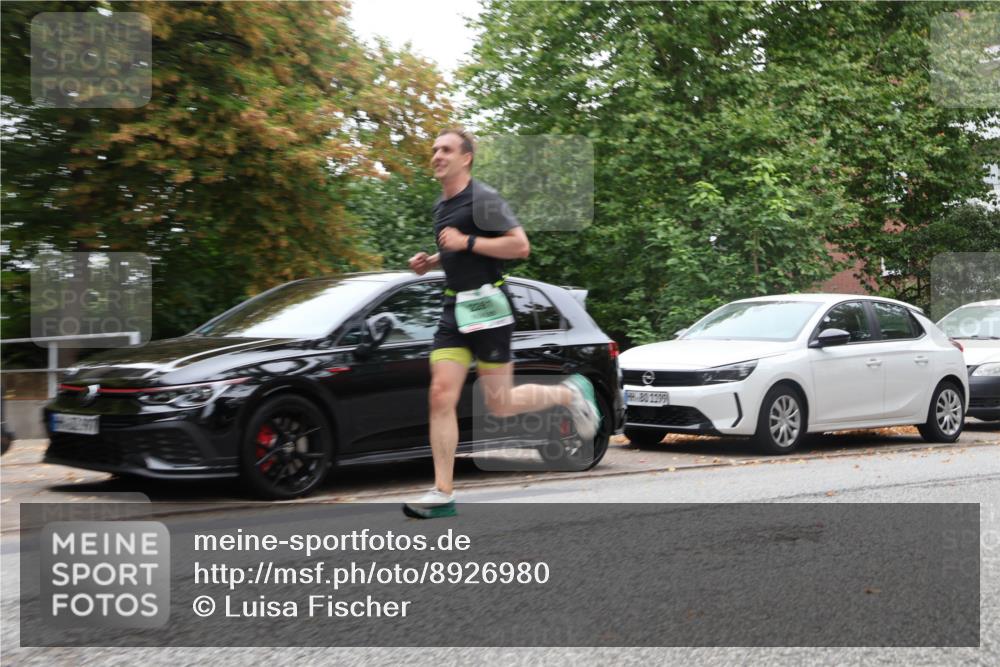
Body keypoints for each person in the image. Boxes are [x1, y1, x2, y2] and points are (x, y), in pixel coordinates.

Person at [402, 128, 600, 519]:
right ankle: (443, 493)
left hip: (489, 308)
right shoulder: (441, 206)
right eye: (434, 150)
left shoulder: (484, 199)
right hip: (453, 307)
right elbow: (456, 246)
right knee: (440, 394)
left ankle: (568, 394)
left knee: (500, 403)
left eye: (446, 149)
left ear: (466, 158)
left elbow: (519, 246)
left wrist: (467, 244)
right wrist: (434, 260)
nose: (436, 155)